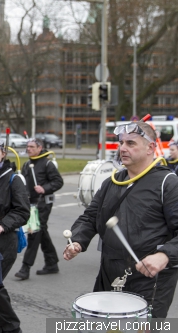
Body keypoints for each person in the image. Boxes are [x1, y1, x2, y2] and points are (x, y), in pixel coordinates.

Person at [64, 121, 178, 318]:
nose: (122, 148)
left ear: (151, 147)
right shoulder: (112, 182)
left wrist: (164, 255)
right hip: (109, 272)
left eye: (131, 143)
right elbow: (91, 216)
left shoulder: (168, 183)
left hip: (149, 279)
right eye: (121, 143)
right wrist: (77, 240)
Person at [0, 137, 29, 333]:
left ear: (3, 154)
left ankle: (11, 328)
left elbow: (22, 211)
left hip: (4, 241)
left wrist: (2, 225)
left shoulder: (13, 179)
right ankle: (2, 328)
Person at [15, 138, 63, 280]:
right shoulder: (27, 164)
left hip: (43, 204)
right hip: (31, 204)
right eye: (27, 146)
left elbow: (58, 181)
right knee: (42, 232)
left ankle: (25, 267)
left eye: (31, 146)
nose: (28, 149)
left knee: (34, 232)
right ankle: (52, 262)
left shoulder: (48, 164)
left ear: (39, 148)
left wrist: (45, 188)